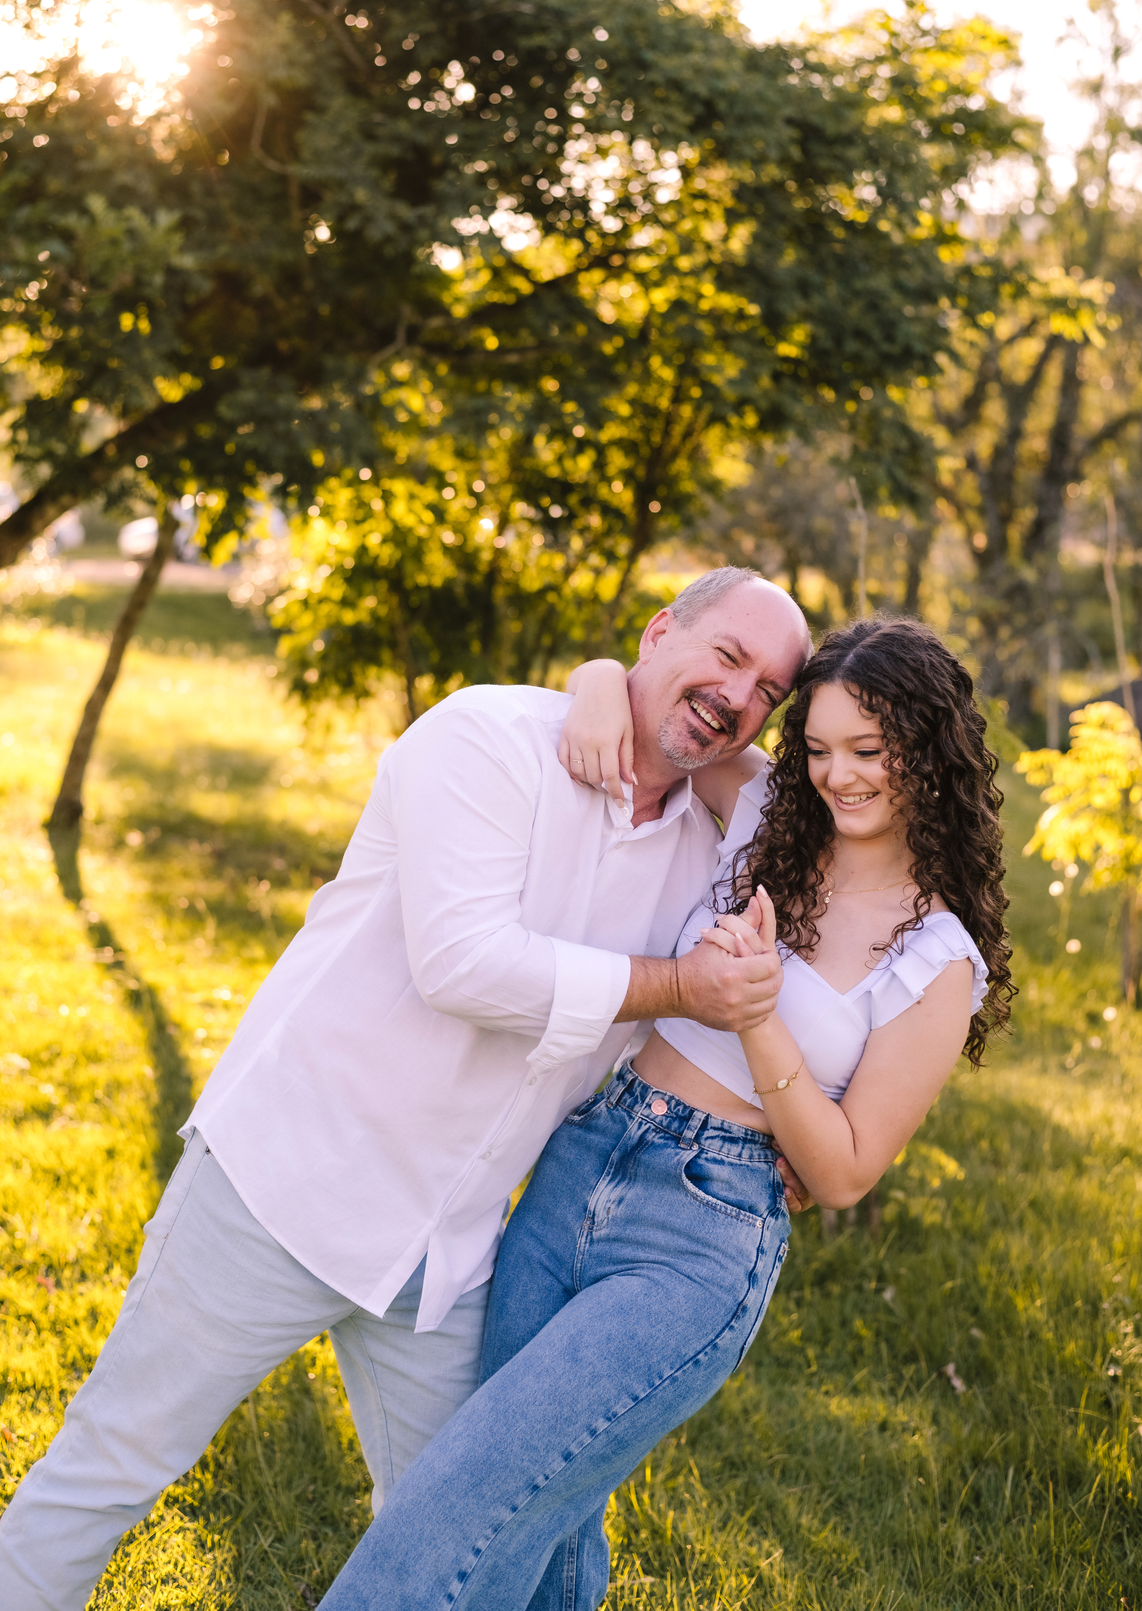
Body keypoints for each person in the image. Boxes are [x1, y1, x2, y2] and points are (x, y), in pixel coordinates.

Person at [0, 567, 812, 1611]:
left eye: (769, 687)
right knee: (110, 1465)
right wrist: (679, 980)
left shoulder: (708, 843)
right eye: (726, 655)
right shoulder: (488, 741)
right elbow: (465, 964)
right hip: (279, 1189)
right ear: (658, 629)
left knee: (464, 1532)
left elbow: (811, 799)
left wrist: (794, 1126)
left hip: (444, 1251)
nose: (739, 694)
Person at [314, 616, 1015, 1611]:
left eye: (869, 750)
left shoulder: (936, 958)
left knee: (466, 1500)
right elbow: (667, 727)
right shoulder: (769, 811)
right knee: (549, 1517)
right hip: (581, 1160)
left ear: (930, 750)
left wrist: (758, 1013)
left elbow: (847, 1168)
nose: (838, 775)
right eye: (817, 746)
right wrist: (602, 675)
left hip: (701, 1228)